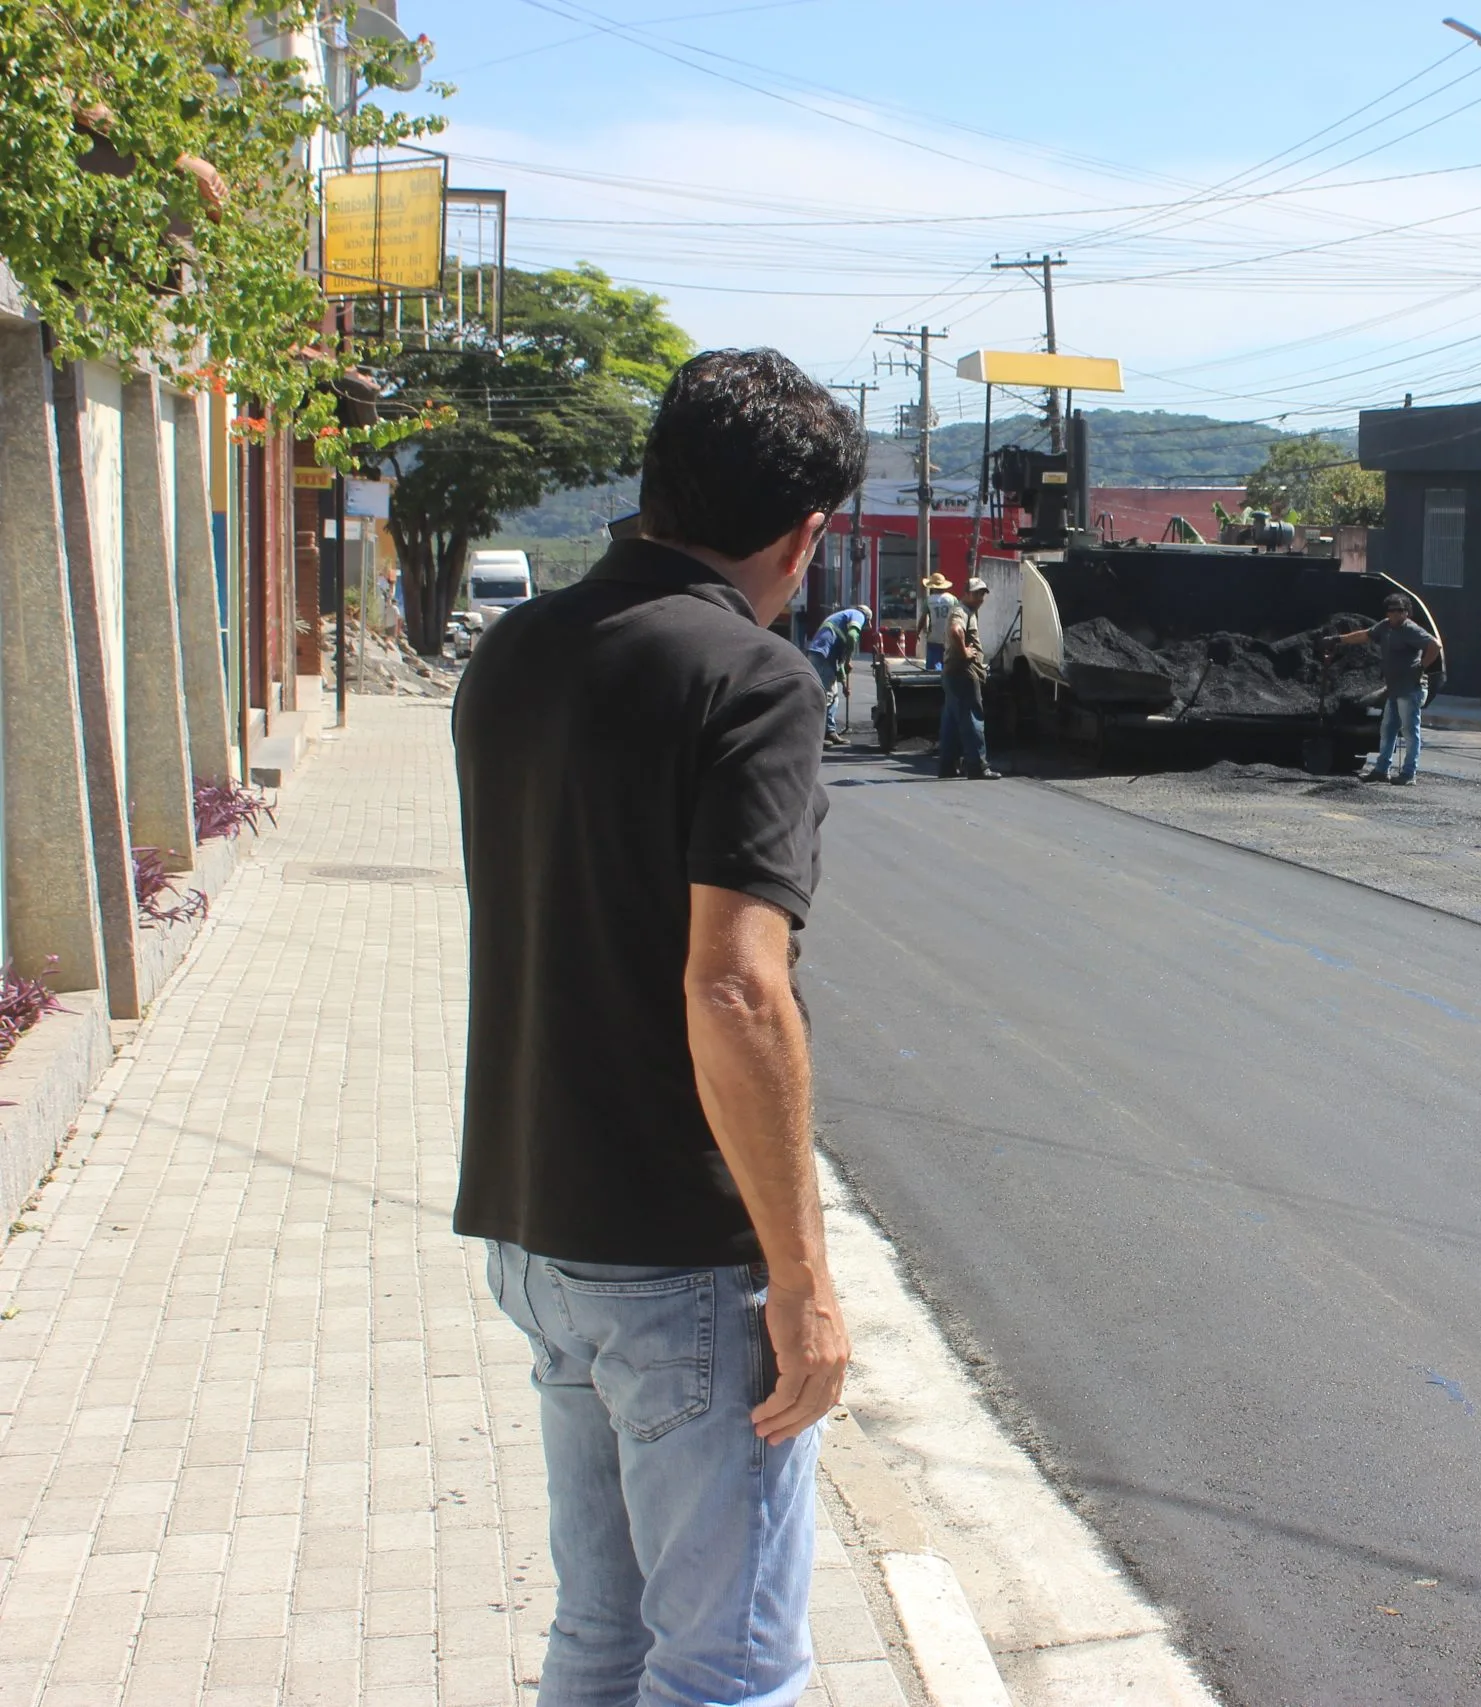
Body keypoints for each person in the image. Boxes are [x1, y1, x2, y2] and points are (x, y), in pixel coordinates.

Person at [451, 347, 865, 1707]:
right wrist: (801, 1278)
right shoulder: (755, 679)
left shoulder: (513, 652)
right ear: (804, 535)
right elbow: (735, 987)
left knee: (601, 1638)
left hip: (535, 1223)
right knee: (728, 1668)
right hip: (680, 1261)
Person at [1331, 592, 1442, 784]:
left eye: (1400, 610)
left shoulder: (1411, 630)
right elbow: (1364, 635)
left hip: (1410, 689)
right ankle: (1382, 770)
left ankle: (1409, 774)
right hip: (1394, 689)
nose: (1395, 614)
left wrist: (1422, 666)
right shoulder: (1384, 626)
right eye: (1391, 610)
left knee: (1410, 731)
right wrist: (1337, 639)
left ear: (1406, 612)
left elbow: (1435, 645)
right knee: (1388, 729)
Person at [938, 575, 997, 780]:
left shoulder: (967, 611)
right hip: (963, 673)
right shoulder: (961, 611)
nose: (981, 598)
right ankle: (978, 766)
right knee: (973, 719)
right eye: (977, 594)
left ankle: (947, 766)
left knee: (951, 722)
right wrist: (964, 652)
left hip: (952, 674)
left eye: (983, 594)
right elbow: (956, 630)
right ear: (967, 594)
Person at [806, 603, 870, 743]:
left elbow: (839, 667)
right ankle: (816, 735)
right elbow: (853, 636)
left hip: (822, 654)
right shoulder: (857, 614)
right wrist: (849, 659)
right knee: (825, 695)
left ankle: (830, 731)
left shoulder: (842, 622)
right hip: (823, 653)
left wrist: (845, 685)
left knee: (833, 695)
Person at [921, 571, 955, 671]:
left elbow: (923, 618)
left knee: (933, 665)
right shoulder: (952, 599)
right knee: (948, 663)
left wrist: (918, 632)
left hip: (934, 637)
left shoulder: (929, 600)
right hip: (949, 637)